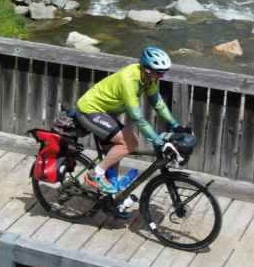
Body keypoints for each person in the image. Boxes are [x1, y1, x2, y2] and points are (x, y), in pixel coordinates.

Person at [74, 46, 183, 194]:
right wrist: (157, 141)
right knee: (130, 142)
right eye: (159, 73)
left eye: (163, 73)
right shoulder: (129, 79)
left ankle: (111, 197)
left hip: (105, 113)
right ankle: (95, 174)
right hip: (89, 110)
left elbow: (158, 103)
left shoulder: (147, 79)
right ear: (146, 69)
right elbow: (137, 117)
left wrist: (175, 125)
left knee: (117, 152)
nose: (161, 77)